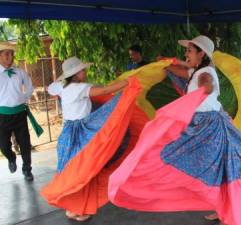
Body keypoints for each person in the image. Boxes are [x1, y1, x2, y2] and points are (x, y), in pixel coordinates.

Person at [108, 35, 241, 225]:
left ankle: (232, 205)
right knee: (212, 168)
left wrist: (205, 88)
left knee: (216, 168)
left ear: (202, 53)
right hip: (201, 126)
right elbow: (182, 72)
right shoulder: (196, 70)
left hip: (210, 127)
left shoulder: (206, 72)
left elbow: (207, 83)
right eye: (186, 51)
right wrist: (167, 63)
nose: (186, 54)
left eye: (189, 51)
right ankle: (220, 205)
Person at [42, 56, 141, 222]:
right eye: (82, 70)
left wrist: (58, 95)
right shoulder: (80, 88)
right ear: (76, 74)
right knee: (83, 168)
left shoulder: (60, 86)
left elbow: (49, 88)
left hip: (67, 133)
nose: (84, 72)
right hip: (80, 132)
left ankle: (71, 207)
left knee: (70, 169)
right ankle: (77, 210)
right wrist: (127, 82)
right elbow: (104, 91)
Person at [0, 43, 37, 181]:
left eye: (12, 54)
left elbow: (29, 87)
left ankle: (27, 169)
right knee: (3, 145)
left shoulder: (20, 72)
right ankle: (11, 158)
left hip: (20, 113)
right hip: (2, 116)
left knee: (25, 143)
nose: (11, 57)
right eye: (7, 54)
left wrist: (23, 98)